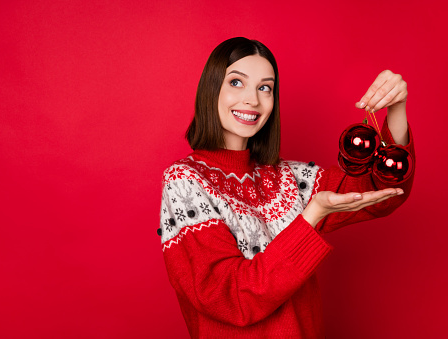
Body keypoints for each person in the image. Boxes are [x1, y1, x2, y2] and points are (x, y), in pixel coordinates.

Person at [158, 37, 414, 338]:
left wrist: (395, 109)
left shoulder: (288, 177)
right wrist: (311, 216)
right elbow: (231, 299)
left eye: (265, 87)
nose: (252, 100)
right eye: (236, 83)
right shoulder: (185, 181)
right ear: (211, 89)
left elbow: (380, 192)